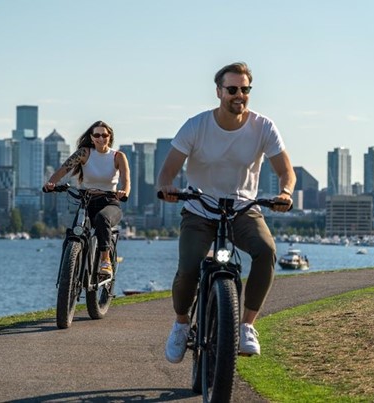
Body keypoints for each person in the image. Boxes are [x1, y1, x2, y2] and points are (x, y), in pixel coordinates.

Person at [156, 62, 296, 363]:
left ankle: (247, 325)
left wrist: (285, 192)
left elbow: (286, 171)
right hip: (200, 208)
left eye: (245, 90)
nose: (239, 95)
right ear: (219, 92)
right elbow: (167, 170)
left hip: (242, 209)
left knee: (266, 250)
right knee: (189, 267)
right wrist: (167, 187)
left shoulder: (264, 127)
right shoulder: (197, 125)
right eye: (232, 89)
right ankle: (181, 324)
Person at [44, 120, 130, 277]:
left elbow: (126, 180)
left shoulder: (118, 156)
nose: (101, 138)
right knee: (74, 233)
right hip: (86, 202)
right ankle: (67, 272)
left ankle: (105, 262)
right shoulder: (84, 153)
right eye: (97, 135)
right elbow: (64, 169)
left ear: (109, 137)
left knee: (102, 218)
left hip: (110, 203)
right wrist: (51, 183)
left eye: (104, 135)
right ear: (91, 137)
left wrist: (124, 191)